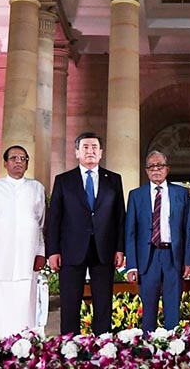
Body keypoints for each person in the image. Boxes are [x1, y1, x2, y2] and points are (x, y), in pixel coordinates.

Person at [46, 132, 126, 335]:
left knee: (103, 302)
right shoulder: (64, 180)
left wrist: (120, 248)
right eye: (85, 147)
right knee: (70, 301)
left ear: (101, 153)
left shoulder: (114, 180)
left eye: (94, 147)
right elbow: (54, 217)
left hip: (104, 249)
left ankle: (103, 346)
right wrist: (53, 250)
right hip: (71, 250)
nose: (90, 151)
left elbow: (119, 218)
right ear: (76, 152)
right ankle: (69, 347)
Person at [0, 145, 46, 341]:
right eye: (14, 158)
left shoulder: (37, 188)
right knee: (0, 301)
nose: (18, 162)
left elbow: (41, 224)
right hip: (1, 258)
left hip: (28, 258)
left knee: (27, 301)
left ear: (27, 163)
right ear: (5, 163)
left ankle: (26, 345)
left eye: (22, 159)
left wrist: (40, 252)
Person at [125, 151, 190, 332]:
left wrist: (188, 261)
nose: (156, 170)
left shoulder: (181, 194)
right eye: (151, 167)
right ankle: (150, 351)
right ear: (146, 171)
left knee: (173, 309)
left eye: (160, 166)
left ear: (167, 169)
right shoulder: (135, 195)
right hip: (147, 259)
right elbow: (130, 233)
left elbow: (187, 230)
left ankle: (173, 351)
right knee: (148, 310)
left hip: (173, 257)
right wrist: (131, 265)